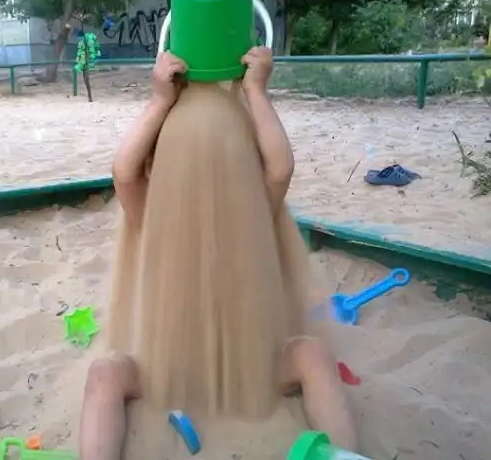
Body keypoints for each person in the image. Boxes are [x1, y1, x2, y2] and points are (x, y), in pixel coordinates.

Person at [79, 47, 357, 460]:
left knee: (312, 355)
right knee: (105, 374)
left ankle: (346, 454)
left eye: (226, 168)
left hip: (248, 365)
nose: (206, 185)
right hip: (169, 367)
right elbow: (124, 171)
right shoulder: (154, 219)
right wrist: (159, 101)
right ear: (161, 170)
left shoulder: (253, 214)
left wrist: (256, 92)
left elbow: (280, 167)